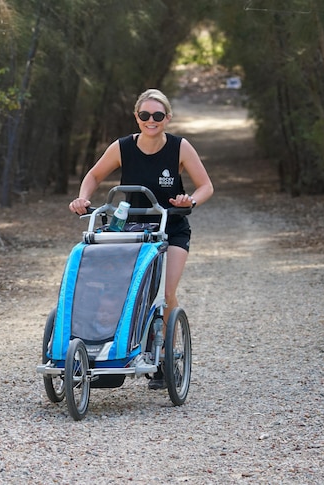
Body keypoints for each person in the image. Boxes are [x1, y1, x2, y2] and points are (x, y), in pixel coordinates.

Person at [69, 88, 213, 390]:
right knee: (119, 290)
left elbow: (205, 186)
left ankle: (165, 355)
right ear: (136, 117)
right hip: (132, 232)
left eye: (158, 116)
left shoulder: (179, 147)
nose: (151, 120)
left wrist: (191, 201)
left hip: (171, 228)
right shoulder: (122, 148)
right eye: (145, 115)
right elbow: (94, 176)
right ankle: (112, 351)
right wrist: (83, 198)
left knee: (165, 292)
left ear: (167, 118)